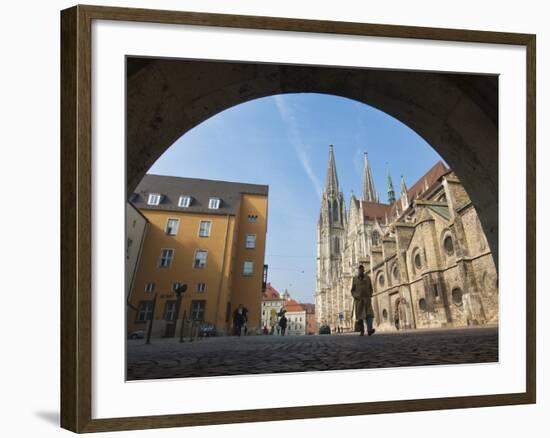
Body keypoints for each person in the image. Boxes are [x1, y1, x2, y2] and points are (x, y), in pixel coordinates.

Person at [351, 264, 376, 336]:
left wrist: (370, 295)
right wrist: (355, 296)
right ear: (358, 271)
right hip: (358, 300)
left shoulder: (368, 278)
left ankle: (369, 330)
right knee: (360, 318)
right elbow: (352, 290)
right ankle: (362, 331)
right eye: (360, 270)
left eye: (362, 270)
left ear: (363, 270)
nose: (361, 271)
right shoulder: (355, 279)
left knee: (369, 315)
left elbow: (371, 288)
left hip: (367, 300)